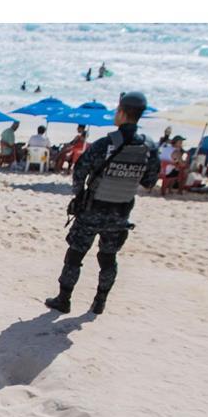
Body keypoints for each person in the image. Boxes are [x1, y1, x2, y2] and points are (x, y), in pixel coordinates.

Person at [44, 91, 160, 316]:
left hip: (92, 211)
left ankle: (64, 299)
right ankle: (99, 302)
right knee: (107, 258)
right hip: (121, 212)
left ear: (122, 112)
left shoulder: (105, 144)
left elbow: (80, 171)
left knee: (75, 256)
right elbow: (149, 181)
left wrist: (79, 196)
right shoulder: (149, 147)